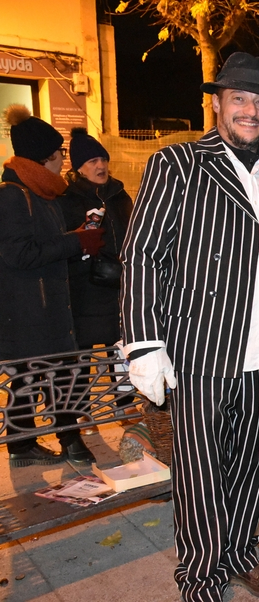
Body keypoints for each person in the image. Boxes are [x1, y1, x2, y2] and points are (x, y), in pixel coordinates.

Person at [119, 52, 259, 602]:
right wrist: (145, 343)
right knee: (203, 473)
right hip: (200, 349)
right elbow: (141, 258)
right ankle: (200, 579)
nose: (252, 110)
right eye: (240, 98)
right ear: (218, 103)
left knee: (252, 463)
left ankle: (239, 556)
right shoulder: (176, 164)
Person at [0, 105, 105, 466]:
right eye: (59, 153)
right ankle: (68, 440)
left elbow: (48, 248)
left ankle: (21, 444)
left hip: (48, 304)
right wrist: (75, 242)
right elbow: (18, 254)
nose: (63, 159)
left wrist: (79, 243)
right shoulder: (13, 195)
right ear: (43, 157)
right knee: (50, 374)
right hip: (28, 309)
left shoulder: (43, 194)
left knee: (40, 375)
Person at [60, 128, 134, 352]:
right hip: (85, 288)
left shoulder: (119, 194)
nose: (100, 166)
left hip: (119, 284)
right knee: (84, 354)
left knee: (120, 354)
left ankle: (119, 387)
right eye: (92, 161)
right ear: (79, 168)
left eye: (103, 159)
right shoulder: (67, 198)